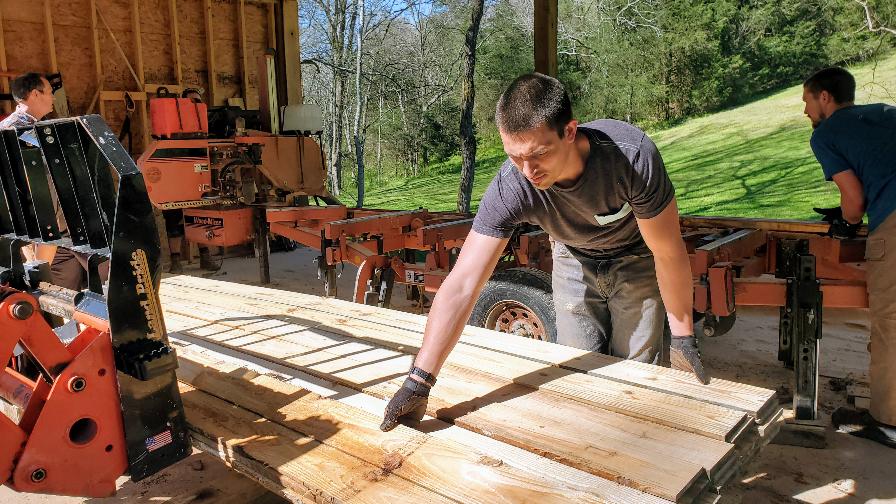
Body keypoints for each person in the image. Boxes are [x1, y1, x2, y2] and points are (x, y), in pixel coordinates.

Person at [380, 73, 706, 432]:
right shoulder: (513, 184)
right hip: (571, 257)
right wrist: (419, 380)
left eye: (538, 155)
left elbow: (668, 253)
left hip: (637, 258)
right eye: (515, 157)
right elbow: (462, 284)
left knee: (635, 374)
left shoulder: (631, 158)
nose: (528, 171)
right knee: (578, 371)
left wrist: (683, 338)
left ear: (570, 131)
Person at [802, 66, 896, 449]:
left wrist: (847, 220)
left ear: (825, 97)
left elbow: (854, 202)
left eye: (807, 102)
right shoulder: (887, 113)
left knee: (891, 326)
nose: (805, 112)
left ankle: (889, 422)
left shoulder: (826, 134)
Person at [163, 87, 216, 273]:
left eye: (198, 101)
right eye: (191, 101)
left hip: (197, 176)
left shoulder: (205, 122)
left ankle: (205, 257)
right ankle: (176, 261)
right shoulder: (173, 120)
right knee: (174, 219)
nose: (195, 105)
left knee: (200, 216)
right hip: (175, 176)